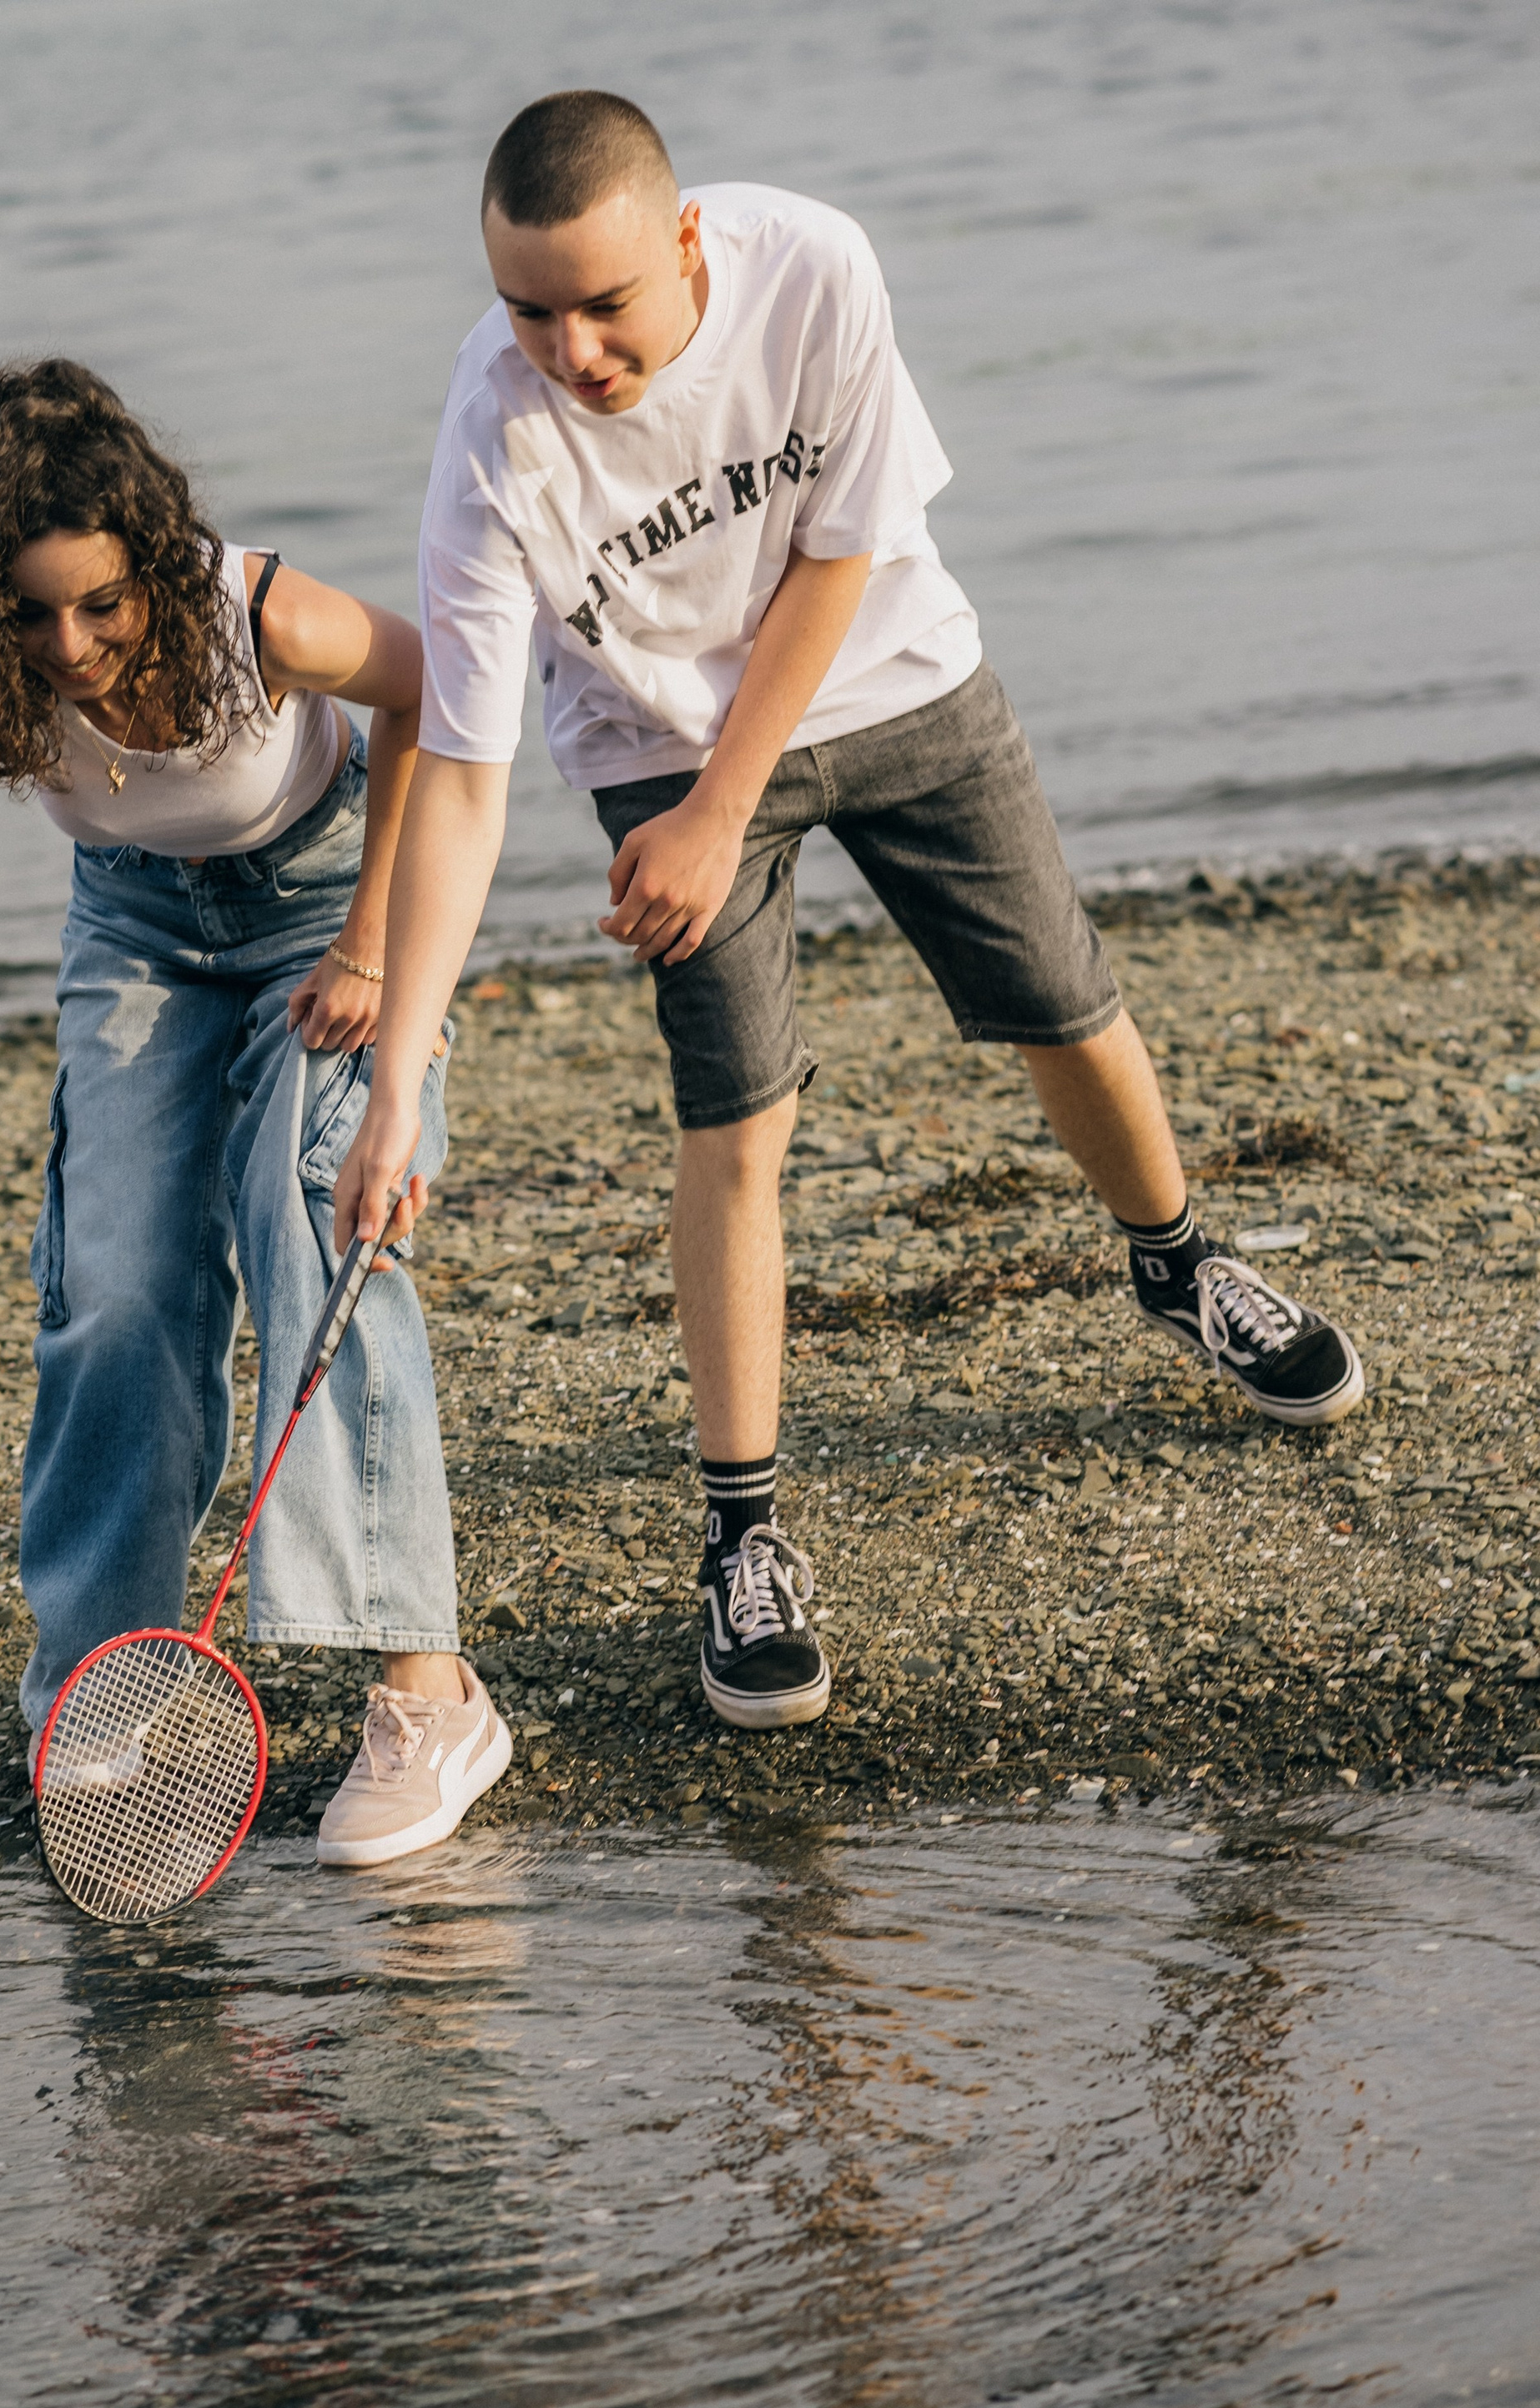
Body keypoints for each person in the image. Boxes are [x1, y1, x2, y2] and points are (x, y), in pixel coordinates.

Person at [334, 93, 1364, 1735]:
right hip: (651, 744)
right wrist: (397, 1081)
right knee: (734, 1115)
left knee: (1061, 1002)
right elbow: (458, 772)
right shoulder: (494, 439)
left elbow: (834, 554)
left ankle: (1176, 1267)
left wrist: (719, 814)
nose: (570, 349)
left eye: (602, 304)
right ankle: (739, 1539)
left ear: (682, 244)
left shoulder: (810, 265)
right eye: (528, 308)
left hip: (889, 672)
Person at [0, 359, 511, 1864]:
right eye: (27, 615)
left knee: (310, 1215)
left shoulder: (263, 615)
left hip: (326, 898)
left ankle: (428, 1687)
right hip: (136, 934)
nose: (70, 647)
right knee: (115, 1287)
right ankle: (105, 1675)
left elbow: (430, 695)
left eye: (104, 604)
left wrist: (378, 944)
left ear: (151, 560)